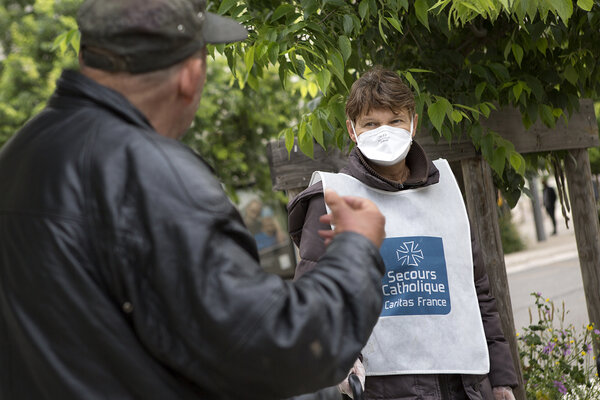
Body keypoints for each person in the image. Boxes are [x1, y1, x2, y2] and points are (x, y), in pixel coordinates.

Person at [0, 1, 389, 399]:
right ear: (191, 75)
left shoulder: (19, 155)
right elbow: (277, 348)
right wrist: (356, 248)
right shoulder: (150, 175)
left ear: (86, 56)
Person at [287, 67, 518, 400]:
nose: (384, 131)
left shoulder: (445, 193)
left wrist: (500, 378)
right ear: (353, 131)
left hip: (463, 385)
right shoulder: (331, 200)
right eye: (370, 123)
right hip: (385, 388)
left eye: (395, 120)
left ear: (413, 122)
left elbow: (477, 292)